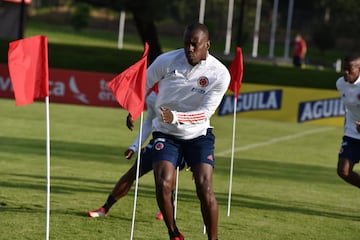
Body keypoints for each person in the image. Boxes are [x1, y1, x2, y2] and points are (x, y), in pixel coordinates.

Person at [145, 23, 230, 240]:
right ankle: (173, 233)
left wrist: (177, 117)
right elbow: (141, 84)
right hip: (165, 133)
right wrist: (133, 107)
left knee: (204, 186)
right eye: (186, 44)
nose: (189, 49)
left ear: (207, 45)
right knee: (163, 182)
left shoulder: (219, 74)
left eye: (195, 44)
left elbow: (204, 113)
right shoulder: (166, 61)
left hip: (198, 135)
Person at [88, 90, 180, 219]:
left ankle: (166, 208)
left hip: (180, 142)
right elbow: (148, 122)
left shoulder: (185, 92)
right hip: (159, 140)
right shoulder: (154, 96)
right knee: (133, 172)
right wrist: (134, 146)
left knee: (168, 176)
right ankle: (105, 208)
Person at [336, 55, 360, 188]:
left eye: (349, 69)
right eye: (344, 69)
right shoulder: (340, 83)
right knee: (343, 171)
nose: (346, 72)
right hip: (352, 133)